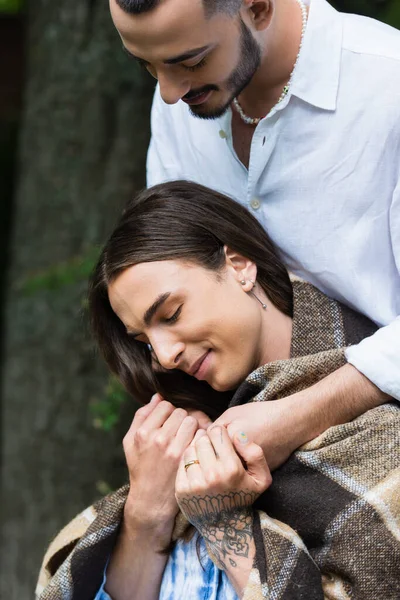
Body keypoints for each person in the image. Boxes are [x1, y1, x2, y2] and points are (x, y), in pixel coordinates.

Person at [36, 181, 400, 599]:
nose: (165, 356)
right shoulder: (180, 453)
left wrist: (224, 521)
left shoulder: (382, 437)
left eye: (171, 314)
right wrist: (146, 517)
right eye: (144, 342)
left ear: (240, 265)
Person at [108, 0, 400, 470]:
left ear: (257, 7)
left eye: (190, 61)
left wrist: (296, 417)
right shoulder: (183, 103)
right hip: (249, 427)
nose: (167, 92)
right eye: (148, 65)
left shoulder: (388, 91)